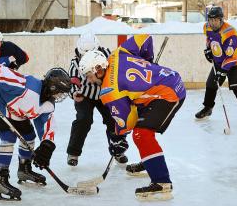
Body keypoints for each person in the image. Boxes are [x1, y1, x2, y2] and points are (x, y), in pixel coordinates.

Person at [78, 34, 186, 200]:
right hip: (169, 79)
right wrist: (147, 62)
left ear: (98, 70)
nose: (90, 81)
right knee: (143, 127)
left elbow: (127, 122)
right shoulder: (117, 53)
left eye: (89, 76)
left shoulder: (109, 91)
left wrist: (117, 138)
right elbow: (144, 38)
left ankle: (161, 182)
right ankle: (151, 163)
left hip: (168, 94)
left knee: (141, 134)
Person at [0, 65, 71, 201]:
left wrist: (46, 146)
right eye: (60, 92)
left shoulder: (48, 104)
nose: (60, 96)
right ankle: (0, 180)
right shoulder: (28, 85)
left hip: (18, 114)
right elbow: (0, 70)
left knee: (29, 137)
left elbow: (47, 125)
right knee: (8, 139)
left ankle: (24, 169)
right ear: (53, 87)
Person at [66, 32, 129, 166]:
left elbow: (117, 72)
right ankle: (73, 152)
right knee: (84, 120)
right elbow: (73, 81)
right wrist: (75, 93)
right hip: (85, 95)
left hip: (105, 94)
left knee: (113, 119)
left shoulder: (107, 56)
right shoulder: (76, 63)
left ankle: (117, 150)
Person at [195, 6, 237, 127]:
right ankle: (207, 108)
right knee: (211, 84)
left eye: (216, 20)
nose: (213, 23)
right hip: (220, 60)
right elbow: (209, 38)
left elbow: (232, 57)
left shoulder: (230, 34)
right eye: (211, 20)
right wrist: (208, 49)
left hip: (236, 62)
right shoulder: (206, 27)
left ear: (221, 20)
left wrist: (222, 72)